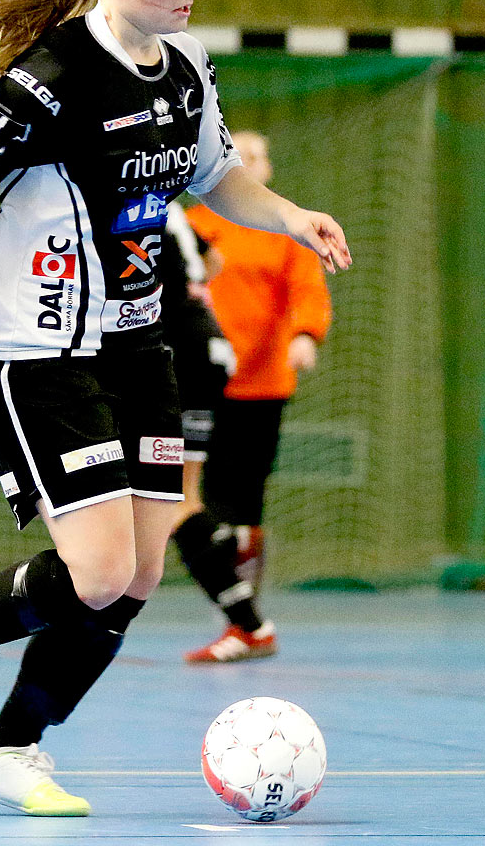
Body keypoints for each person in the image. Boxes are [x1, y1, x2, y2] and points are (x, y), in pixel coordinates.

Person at [0, 0, 351, 817]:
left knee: (137, 573)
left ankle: (8, 749)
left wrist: (289, 216)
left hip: (136, 344)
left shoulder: (187, 68)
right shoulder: (52, 75)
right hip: (37, 348)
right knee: (91, 573)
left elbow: (216, 177)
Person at [171, 131, 332, 663]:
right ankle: (239, 615)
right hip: (195, 385)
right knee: (198, 500)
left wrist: (304, 337)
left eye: (260, 156)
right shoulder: (193, 226)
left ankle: (244, 618)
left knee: (242, 503)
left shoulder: (286, 234)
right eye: (241, 155)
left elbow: (308, 291)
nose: (252, 164)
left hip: (259, 385)